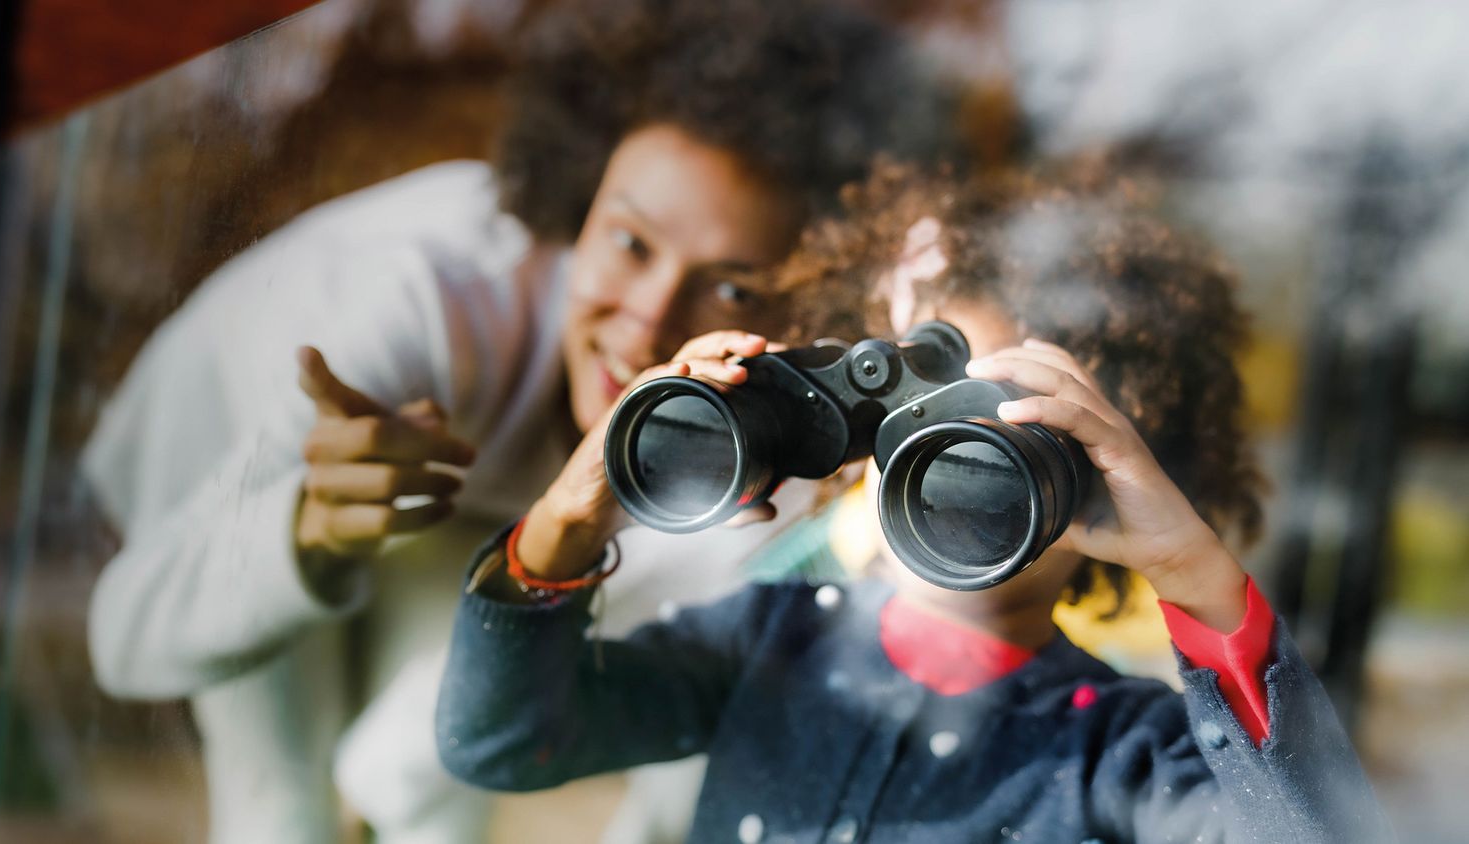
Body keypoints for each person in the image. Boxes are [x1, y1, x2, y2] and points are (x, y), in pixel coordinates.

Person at [81, 2, 949, 842]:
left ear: (808, 306)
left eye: (732, 289)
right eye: (630, 242)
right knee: (281, 806)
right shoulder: (414, 300)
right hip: (246, 458)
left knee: (424, 788)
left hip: (469, 506)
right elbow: (124, 643)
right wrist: (306, 523)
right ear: (580, 198)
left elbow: (687, 711)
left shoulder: (762, 422)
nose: (648, 324)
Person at [434, 162, 1395, 842]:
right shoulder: (771, 641)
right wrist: (582, 500)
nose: (928, 461)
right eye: (906, 414)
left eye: (987, 429)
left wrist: (1190, 570)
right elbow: (504, 742)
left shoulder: (1118, 750)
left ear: (1104, 473)